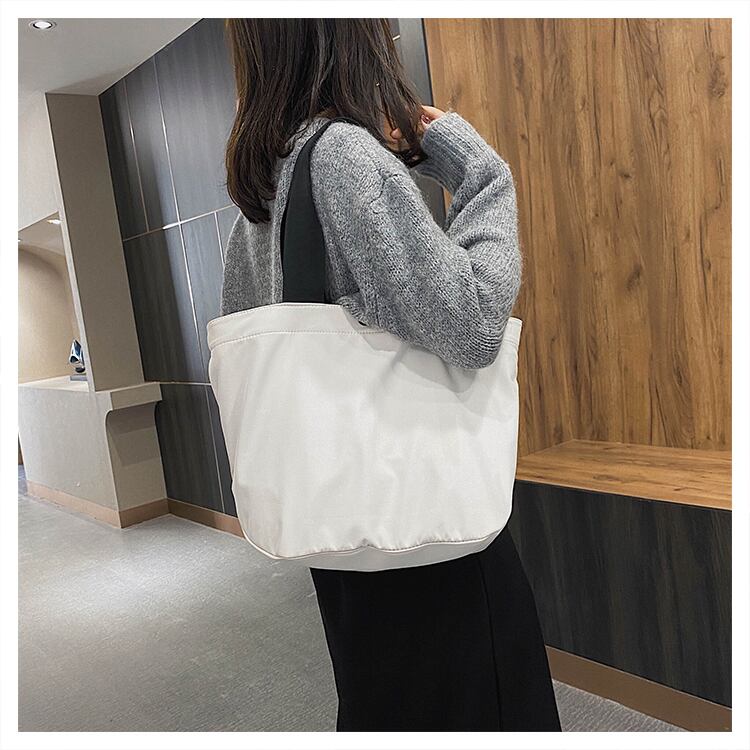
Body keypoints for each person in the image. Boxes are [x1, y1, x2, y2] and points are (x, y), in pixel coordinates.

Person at [221, 18, 561, 732]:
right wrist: (481, 173)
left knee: (386, 705)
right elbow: (474, 322)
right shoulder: (344, 156)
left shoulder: (260, 191)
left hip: (341, 525)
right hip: (429, 529)